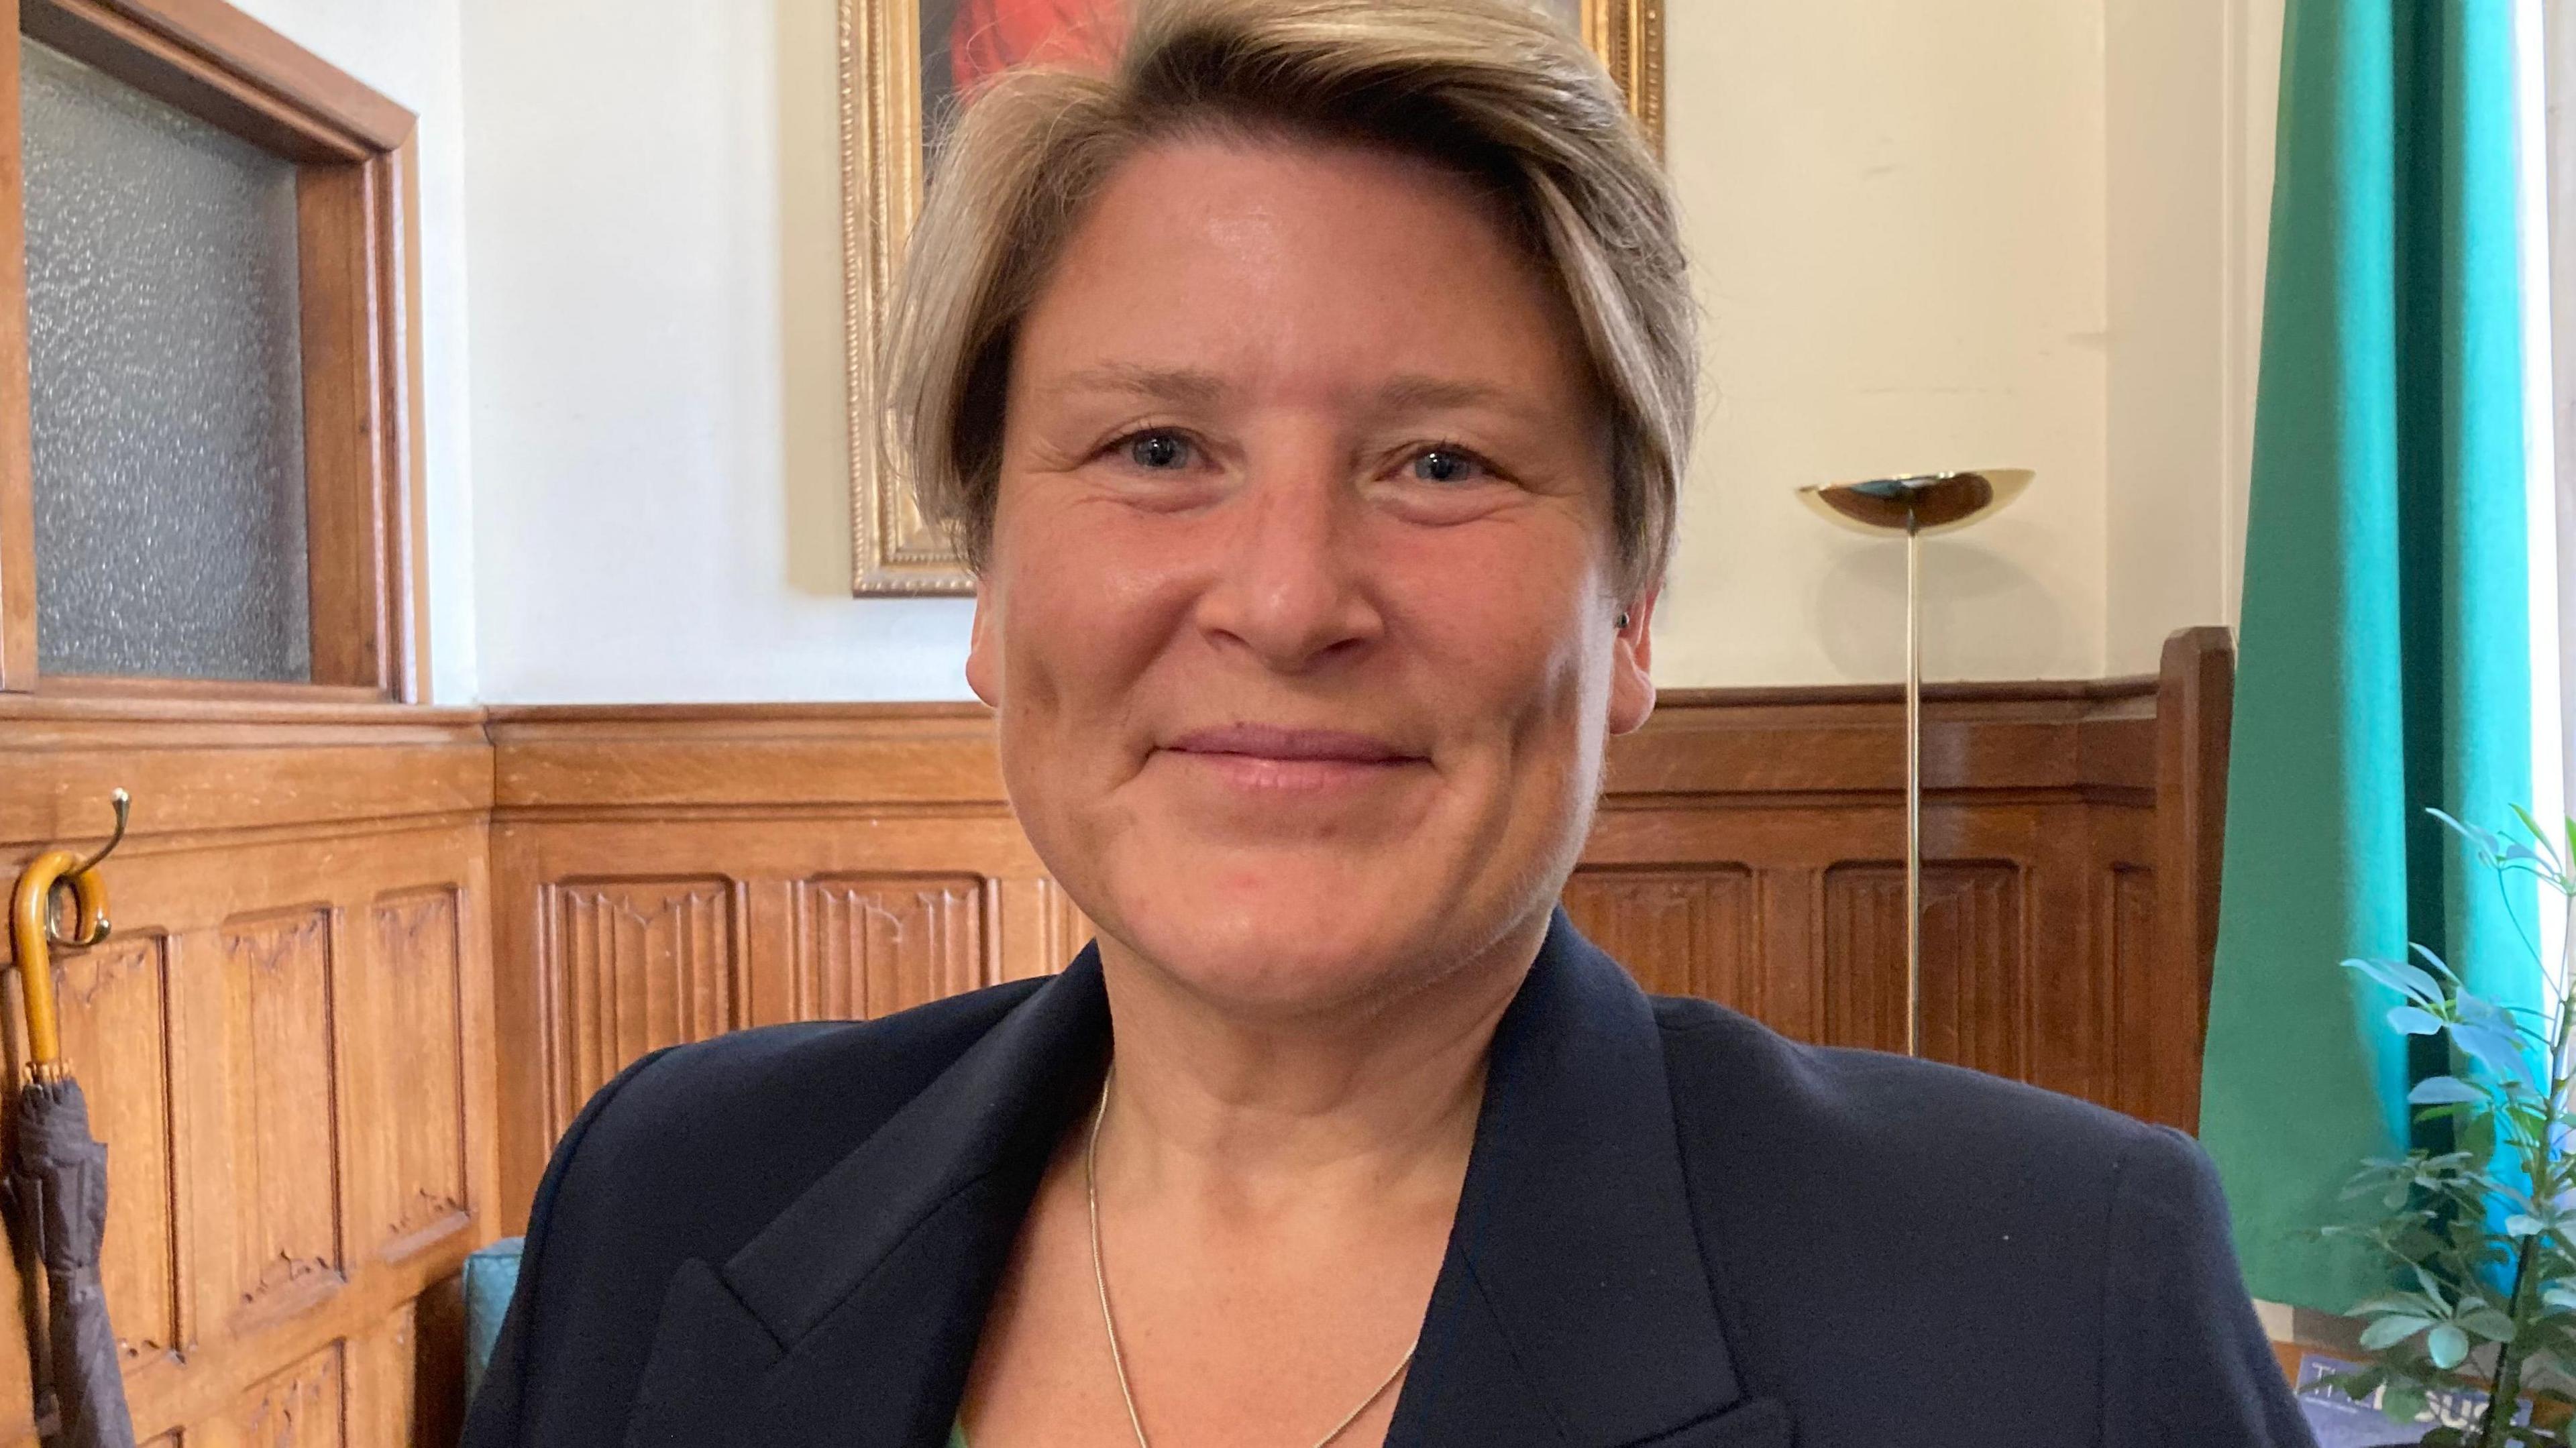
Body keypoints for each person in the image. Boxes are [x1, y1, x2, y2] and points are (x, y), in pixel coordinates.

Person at [462, 1, 2317, 1443]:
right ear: (992, 585)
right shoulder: (673, 1191)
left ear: (1634, 609)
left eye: (1442, 462)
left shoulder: (2049, 1303)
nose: (1284, 600)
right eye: (1157, 449)